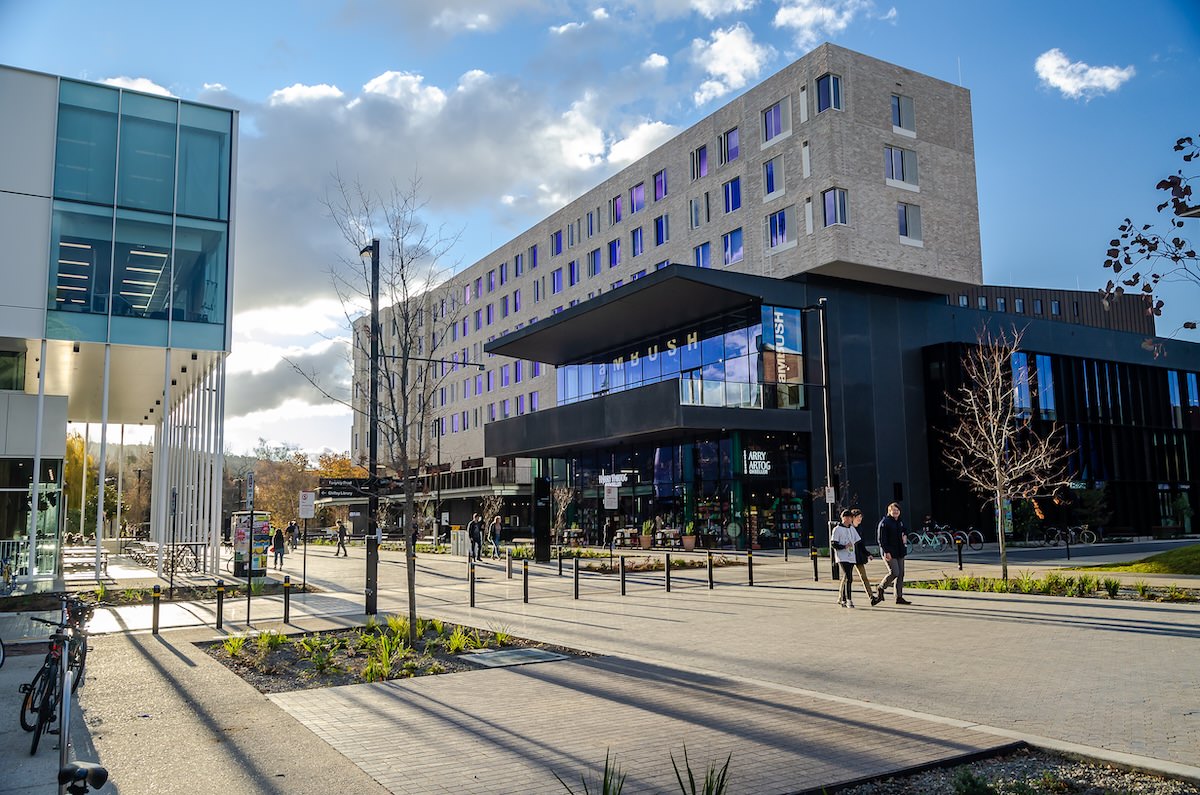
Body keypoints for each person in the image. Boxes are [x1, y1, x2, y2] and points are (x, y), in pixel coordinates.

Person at [876, 502, 912, 605]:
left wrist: (905, 535)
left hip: (900, 551)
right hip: (889, 552)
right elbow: (881, 539)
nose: (896, 512)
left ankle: (899, 597)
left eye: (897, 510)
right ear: (889, 511)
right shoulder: (885, 522)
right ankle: (881, 587)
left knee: (901, 574)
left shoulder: (900, 521)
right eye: (894, 510)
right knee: (895, 572)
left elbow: (905, 530)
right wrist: (886, 551)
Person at [830, 508, 861, 607]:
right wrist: (844, 546)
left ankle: (842, 598)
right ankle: (849, 599)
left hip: (851, 556)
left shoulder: (852, 529)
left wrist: (866, 553)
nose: (847, 519)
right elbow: (833, 544)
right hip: (842, 557)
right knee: (849, 577)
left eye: (849, 517)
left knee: (848, 577)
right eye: (845, 517)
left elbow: (858, 541)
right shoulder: (837, 529)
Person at [849, 509, 880, 606]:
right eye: (858, 517)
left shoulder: (860, 529)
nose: (860, 519)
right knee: (847, 577)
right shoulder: (848, 528)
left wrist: (867, 554)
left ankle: (871, 597)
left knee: (864, 577)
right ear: (853, 518)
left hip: (858, 556)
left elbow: (861, 544)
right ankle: (841, 597)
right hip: (849, 556)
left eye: (861, 517)